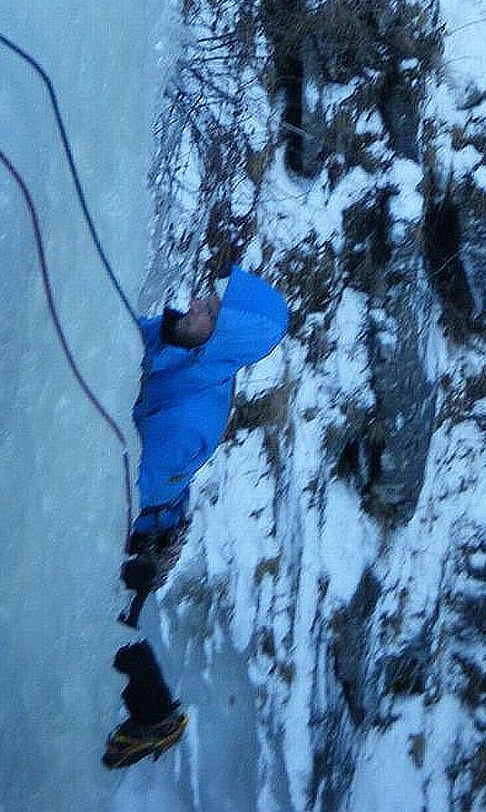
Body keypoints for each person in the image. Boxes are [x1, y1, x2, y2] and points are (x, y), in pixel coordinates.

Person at [103, 262, 290, 769]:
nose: (195, 305)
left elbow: (122, 488)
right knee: (109, 629)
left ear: (221, 338)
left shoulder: (193, 417)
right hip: (154, 522)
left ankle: (156, 719)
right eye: (206, 300)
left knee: (103, 628)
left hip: (139, 531)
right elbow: (141, 342)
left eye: (209, 310)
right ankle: (154, 715)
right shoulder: (191, 354)